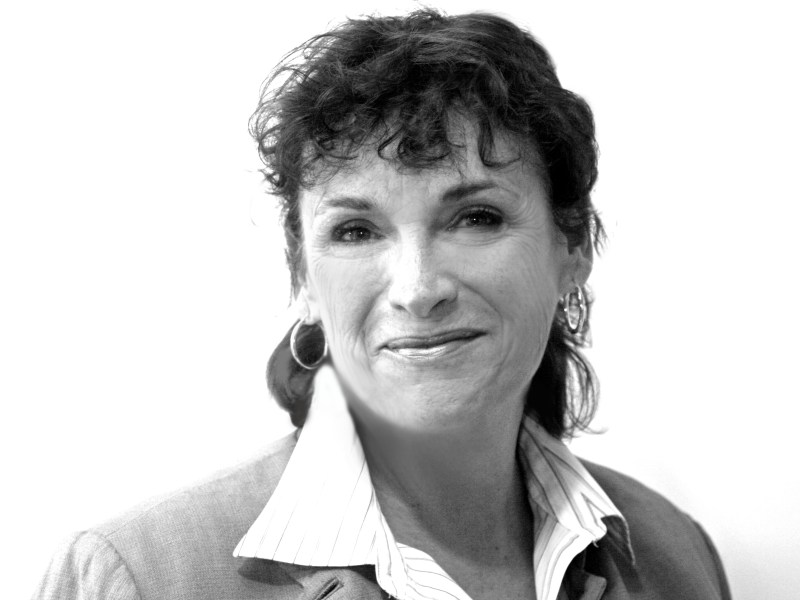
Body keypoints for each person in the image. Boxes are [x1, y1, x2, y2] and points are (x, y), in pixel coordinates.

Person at [33, 9, 731, 600]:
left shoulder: (677, 556)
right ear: (302, 277)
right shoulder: (134, 577)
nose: (418, 288)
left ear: (571, 245)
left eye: (477, 218)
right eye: (356, 231)